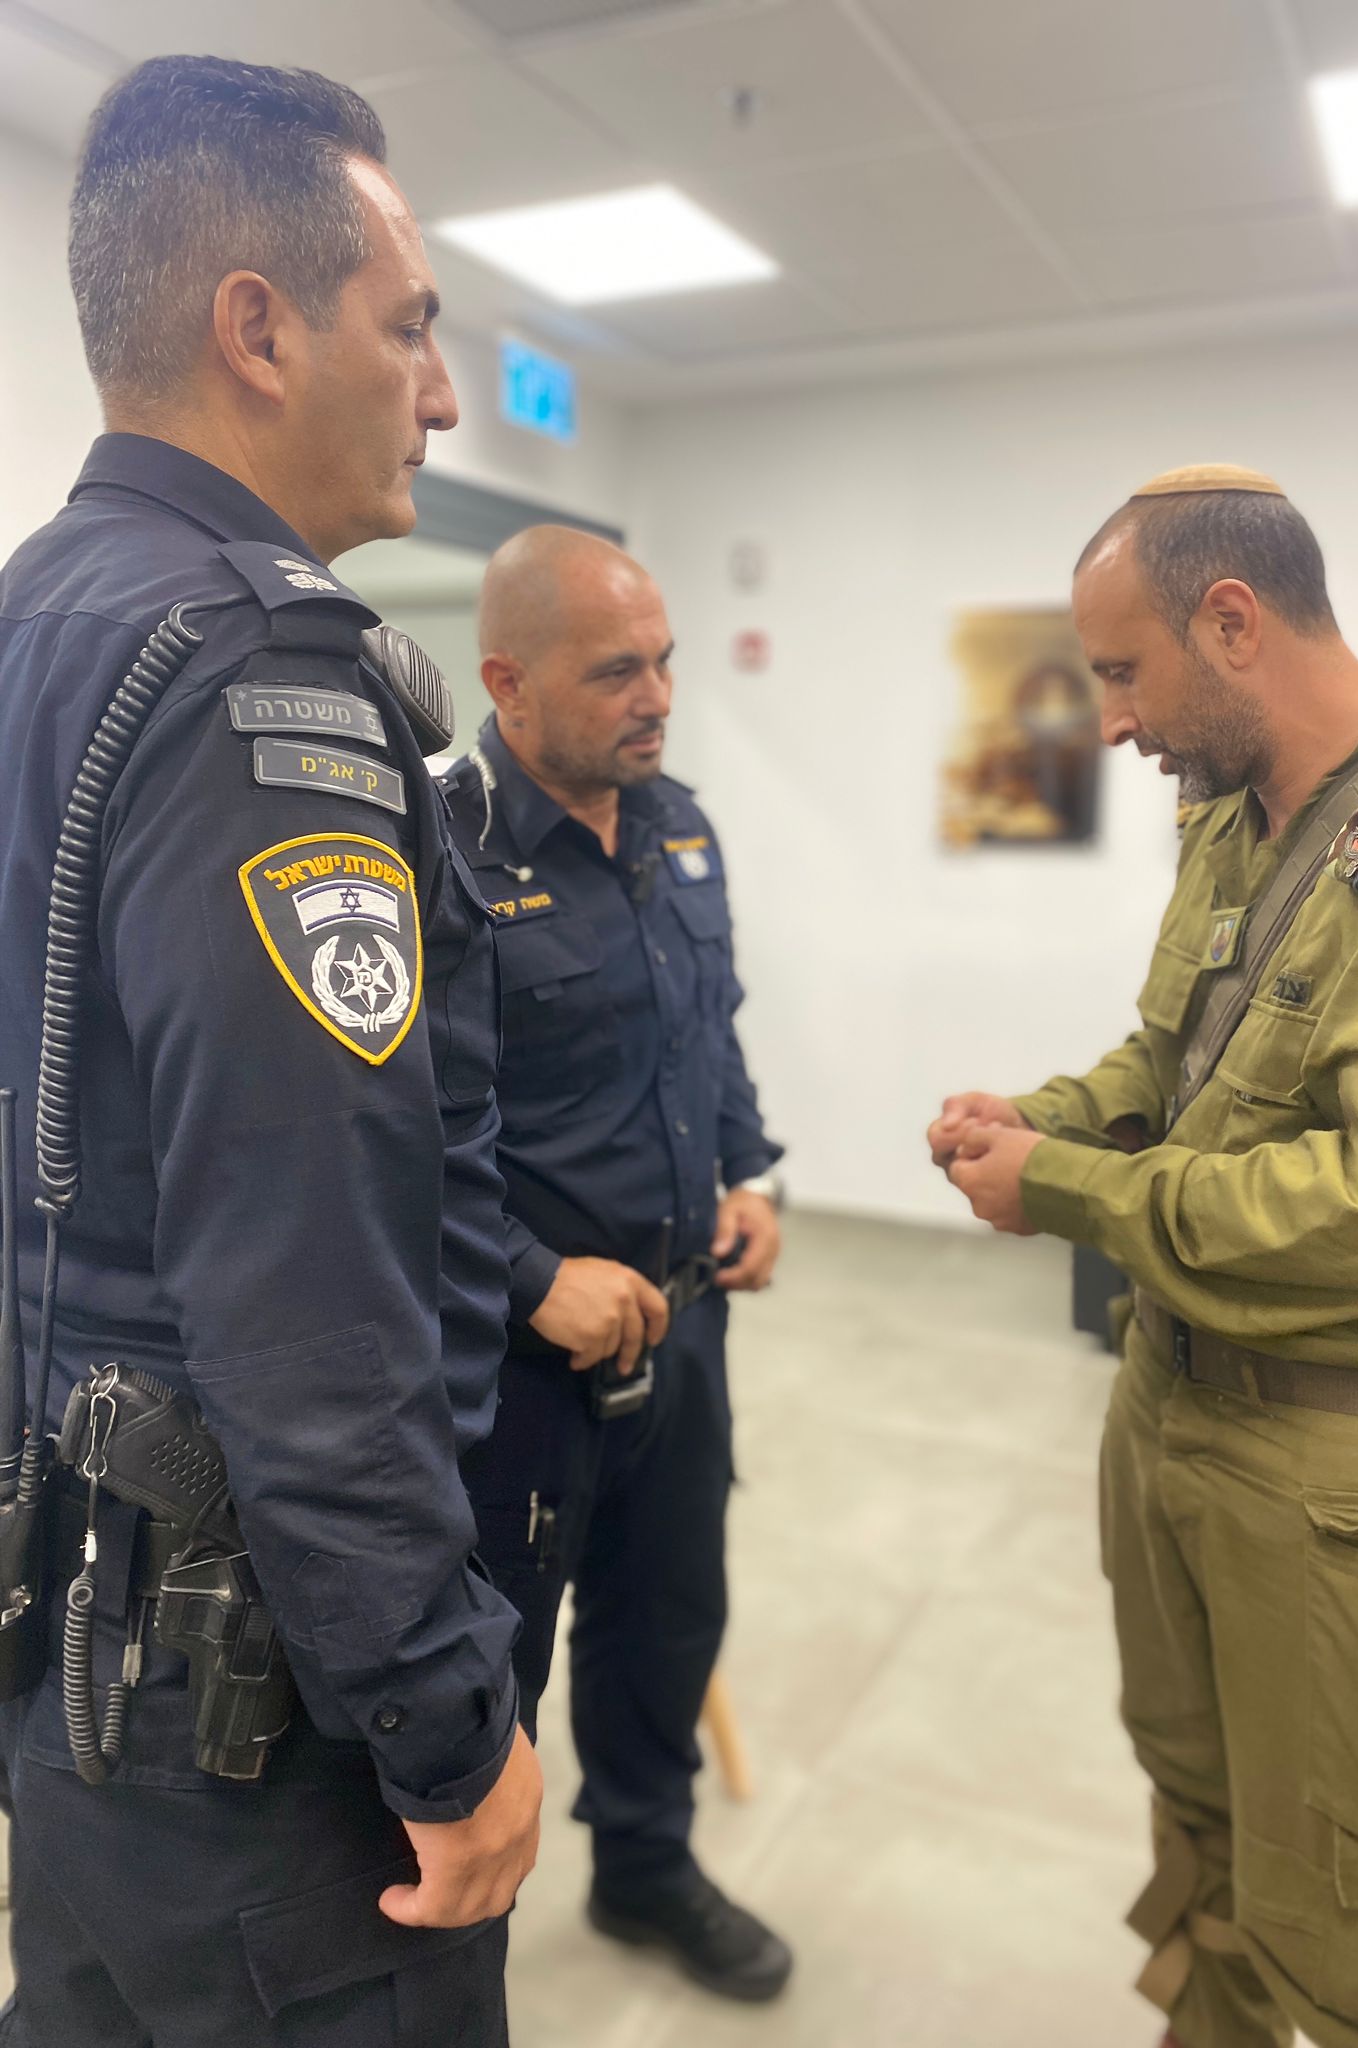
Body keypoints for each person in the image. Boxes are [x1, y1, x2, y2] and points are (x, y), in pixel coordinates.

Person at [0, 56, 542, 2045]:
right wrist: (440, 1716)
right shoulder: (256, 675)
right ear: (257, 327)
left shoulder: (40, 618)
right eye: (410, 328)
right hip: (252, 1710)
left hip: (72, 1637)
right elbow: (310, 1281)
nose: (443, 394)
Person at [932, 465, 1358, 2048]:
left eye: (1123, 672)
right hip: (1175, 1411)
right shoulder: (1234, 816)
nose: (1112, 721)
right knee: (1200, 1818)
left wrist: (1066, 1189)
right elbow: (1172, 1063)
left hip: (1355, 1484)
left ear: (1232, 621)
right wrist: (1044, 1119)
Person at [440, 525, 792, 2003]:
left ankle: (647, 1868)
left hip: (682, 1331)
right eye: (614, 673)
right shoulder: (436, 853)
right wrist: (532, 1279)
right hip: (515, 1374)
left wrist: (748, 1174)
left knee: (664, 1624)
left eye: (663, 662)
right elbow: (391, 1144)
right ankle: (452, 1963)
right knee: (487, 1679)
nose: (657, 697)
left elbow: (705, 1031)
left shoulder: (677, 825)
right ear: (507, 684)